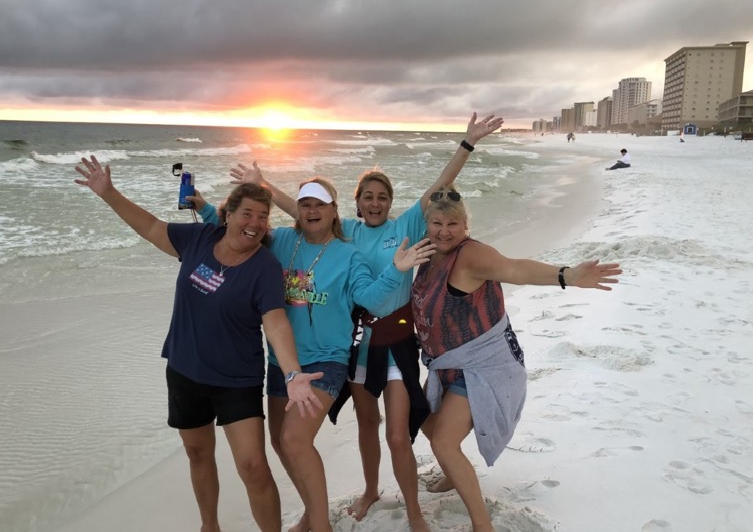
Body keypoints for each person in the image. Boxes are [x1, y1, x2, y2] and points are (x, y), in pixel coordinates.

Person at [230, 112, 503, 531]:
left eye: (381, 197)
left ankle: (413, 511)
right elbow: (302, 211)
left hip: (396, 341)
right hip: (358, 343)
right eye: (368, 197)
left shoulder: (406, 227)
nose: (375, 203)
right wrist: (263, 184)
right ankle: (371, 490)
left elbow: (439, 189)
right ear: (355, 204)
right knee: (366, 424)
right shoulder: (347, 233)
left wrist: (466, 144)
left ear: (390, 202)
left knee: (396, 434)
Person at [73, 155, 324, 532]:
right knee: (197, 452)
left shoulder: (264, 268)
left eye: (262, 217)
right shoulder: (197, 239)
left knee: (253, 467)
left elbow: (275, 323)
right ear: (228, 214)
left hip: (236, 380)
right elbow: (150, 226)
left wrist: (293, 373)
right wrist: (109, 193)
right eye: (247, 214)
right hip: (185, 370)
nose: (255, 223)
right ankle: (210, 526)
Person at [201, 176, 435, 532]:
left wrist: (396, 269)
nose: (312, 210)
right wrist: (202, 206)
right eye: (306, 204)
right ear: (298, 210)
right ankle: (312, 513)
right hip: (282, 360)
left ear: (333, 211)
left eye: (320, 204)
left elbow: (370, 299)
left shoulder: (347, 253)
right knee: (281, 443)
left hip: (328, 359)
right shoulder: (280, 240)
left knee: (296, 441)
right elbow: (238, 233)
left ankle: (321, 525)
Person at [411, 185, 622, 532]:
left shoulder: (471, 256)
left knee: (443, 442)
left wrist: (567, 276)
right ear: (427, 225)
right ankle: (455, 473)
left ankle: (483, 525)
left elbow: (515, 270)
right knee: (426, 421)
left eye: (453, 224)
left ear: (466, 226)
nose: (444, 231)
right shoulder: (427, 255)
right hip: (446, 363)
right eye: (436, 223)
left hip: (483, 365)